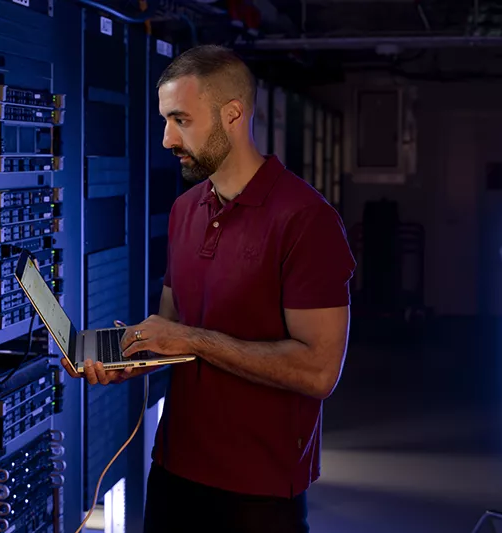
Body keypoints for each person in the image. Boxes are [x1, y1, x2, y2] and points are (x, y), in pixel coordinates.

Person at [61, 44, 356, 533]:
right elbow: (174, 326)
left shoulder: (308, 220)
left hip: (258, 489)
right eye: (164, 120)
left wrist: (193, 340)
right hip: (175, 468)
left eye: (181, 119)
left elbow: (319, 370)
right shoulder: (186, 210)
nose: (166, 138)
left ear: (233, 115)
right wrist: (132, 354)